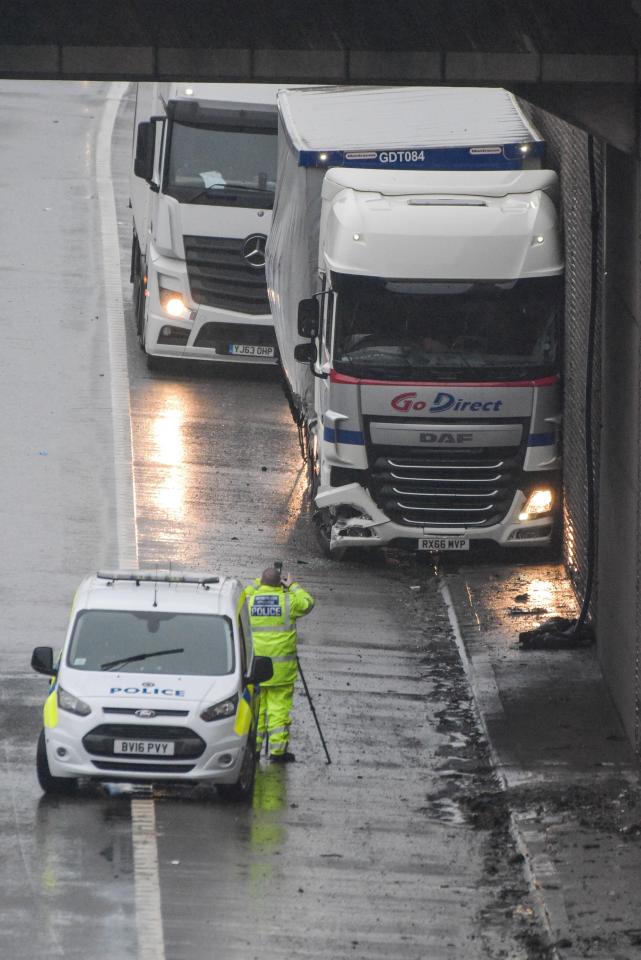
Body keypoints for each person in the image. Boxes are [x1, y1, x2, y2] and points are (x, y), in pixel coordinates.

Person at [245, 567, 315, 763]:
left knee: (256, 711)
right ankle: (277, 752)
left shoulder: (249, 601)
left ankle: (254, 750)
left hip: (256, 668)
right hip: (281, 671)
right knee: (279, 710)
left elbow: (240, 596)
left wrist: (257, 583)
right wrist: (293, 585)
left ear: (261, 582)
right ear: (279, 584)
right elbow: (308, 603)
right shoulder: (288, 601)